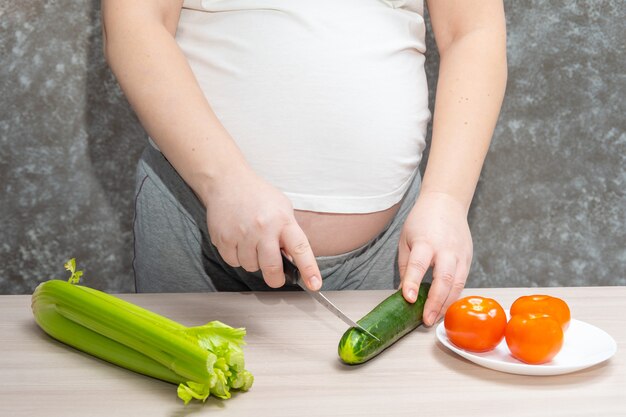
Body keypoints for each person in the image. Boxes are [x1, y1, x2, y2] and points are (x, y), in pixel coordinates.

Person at [101, 0, 507, 327]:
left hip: (391, 247)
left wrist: (448, 199)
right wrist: (224, 181)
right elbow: (136, 20)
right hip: (193, 223)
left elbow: (471, 31)